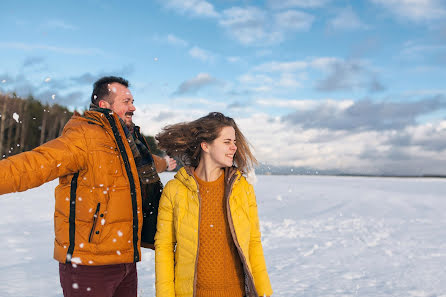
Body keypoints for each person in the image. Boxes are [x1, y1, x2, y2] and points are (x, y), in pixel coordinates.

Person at [0, 76, 176, 297]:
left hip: (126, 260)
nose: (133, 107)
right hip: (89, 263)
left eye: (132, 101)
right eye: (126, 101)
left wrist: (165, 163)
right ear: (104, 105)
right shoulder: (83, 137)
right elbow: (32, 166)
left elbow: (146, 161)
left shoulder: (128, 143)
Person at [154, 112, 273, 297]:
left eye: (234, 142)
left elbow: (253, 243)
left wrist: (264, 292)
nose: (234, 147)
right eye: (227, 142)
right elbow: (164, 248)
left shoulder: (242, 189)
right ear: (205, 146)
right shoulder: (175, 190)